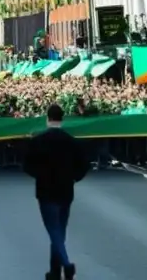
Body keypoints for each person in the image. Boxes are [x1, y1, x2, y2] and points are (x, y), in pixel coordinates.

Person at [23, 104, 89, 280]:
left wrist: (40, 176)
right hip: (66, 190)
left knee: (54, 230)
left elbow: (27, 166)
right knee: (60, 231)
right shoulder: (72, 141)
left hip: (46, 191)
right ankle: (54, 272)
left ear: (47, 118)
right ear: (62, 119)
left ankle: (66, 266)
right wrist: (74, 177)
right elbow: (83, 166)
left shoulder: (38, 141)